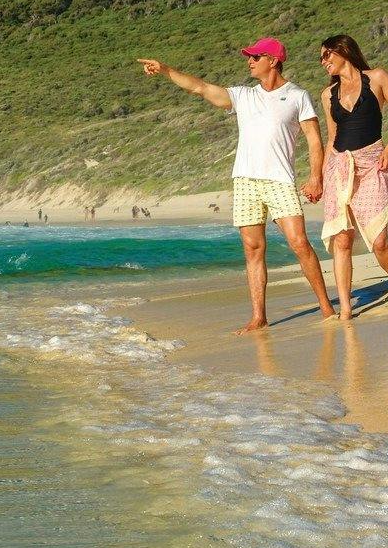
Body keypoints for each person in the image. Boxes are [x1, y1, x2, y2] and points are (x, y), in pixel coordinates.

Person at [138, 39, 332, 332]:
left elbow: (314, 140)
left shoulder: (297, 96)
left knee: (299, 243)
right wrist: (165, 70)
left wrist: (316, 176)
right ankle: (259, 317)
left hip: (280, 180)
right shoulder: (243, 96)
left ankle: (326, 306)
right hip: (245, 181)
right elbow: (200, 87)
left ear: (273, 60)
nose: (249, 61)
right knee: (253, 249)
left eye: (255, 57)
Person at [317, 34, 388, 317]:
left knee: (379, 239)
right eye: (321, 58)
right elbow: (331, 137)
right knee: (342, 239)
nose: (323, 63)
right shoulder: (328, 95)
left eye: (326, 56)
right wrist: (322, 177)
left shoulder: (378, 78)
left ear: (342, 51)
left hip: (372, 163)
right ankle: (346, 308)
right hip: (340, 166)